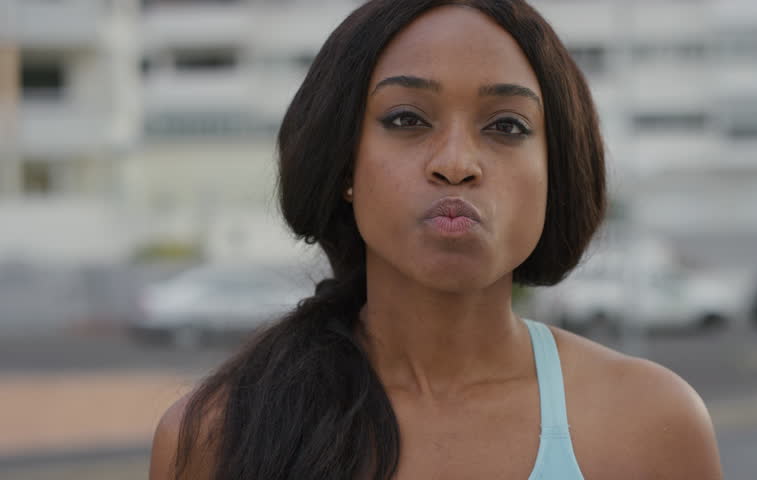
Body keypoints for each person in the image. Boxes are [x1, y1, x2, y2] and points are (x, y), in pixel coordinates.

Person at [149, 1, 723, 479]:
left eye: (507, 126)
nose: (456, 163)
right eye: (406, 119)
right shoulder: (215, 438)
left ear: (557, 172)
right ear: (344, 163)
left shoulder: (650, 425)